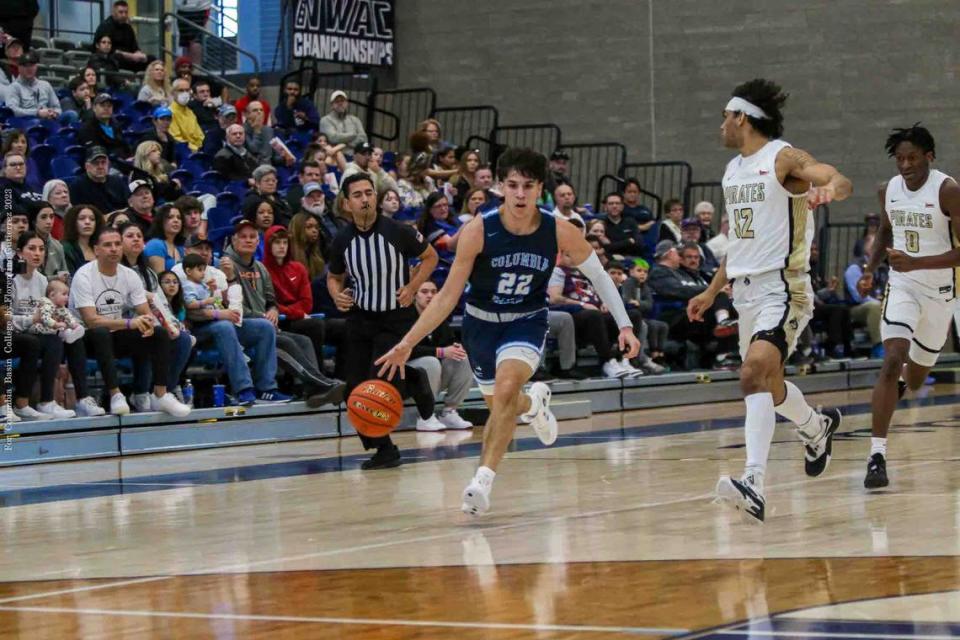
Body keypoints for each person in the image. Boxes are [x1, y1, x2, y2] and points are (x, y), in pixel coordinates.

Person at [375, 148, 640, 515]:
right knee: (505, 404)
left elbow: (598, 274)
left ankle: (482, 481)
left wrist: (624, 324)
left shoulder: (558, 228)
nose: (519, 194)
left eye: (527, 186)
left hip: (526, 321)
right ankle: (535, 404)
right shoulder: (478, 230)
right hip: (481, 326)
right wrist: (407, 342)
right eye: (512, 185)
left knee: (505, 390)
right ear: (500, 187)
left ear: (539, 189)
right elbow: (447, 296)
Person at [687, 79, 852, 523]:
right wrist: (711, 288)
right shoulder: (731, 171)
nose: (721, 123)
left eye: (725, 114)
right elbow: (741, 242)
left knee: (752, 373)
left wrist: (830, 188)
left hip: (784, 288)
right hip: (743, 290)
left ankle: (754, 484)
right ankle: (816, 427)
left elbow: (831, 174)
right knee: (767, 385)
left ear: (742, 116)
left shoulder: (781, 157)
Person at [861, 124, 960, 489]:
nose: (905, 165)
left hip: (940, 292)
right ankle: (876, 456)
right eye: (900, 158)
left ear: (929, 157)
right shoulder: (888, 190)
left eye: (912, 158)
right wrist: (870, 270)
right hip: (902, 286)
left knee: (915, 380)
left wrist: (917, 262)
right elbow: (886, 231)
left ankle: (903, 383)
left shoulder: (948, 191)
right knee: (891, 358)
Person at [326, 173, 441, 469]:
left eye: (369, 193)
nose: (365, 199)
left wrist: (413, 287)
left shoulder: (398, 231)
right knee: (354, 390)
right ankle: (384, 448)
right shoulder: (341, 239)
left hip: (395, 317)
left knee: (379, 382)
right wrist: (337, 296)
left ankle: (411, 379)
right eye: (358, 195)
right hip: (361, 319)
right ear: (347, 203)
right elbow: (334, 277)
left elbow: (431, 257)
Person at [70, 226, 192, 417]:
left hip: (116, 334)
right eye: (108, 245)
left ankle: (160, 394)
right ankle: (115, 395)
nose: (114, 249)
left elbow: (144, 312)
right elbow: (91, 320)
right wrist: (129, 323)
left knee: (159, 333)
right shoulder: (84, 275)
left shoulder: (129, 275)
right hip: (85, 338)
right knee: (101, 333)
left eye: (117, 244)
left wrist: (149, 323)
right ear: (96, 250)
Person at [225, 219, 343, 406]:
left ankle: (315, 387)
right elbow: (230, 304)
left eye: (252, 237)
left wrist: (272, 309)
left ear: (258, 242)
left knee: (303, 339)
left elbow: (271, 299)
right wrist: (263, 316)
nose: (248, 240)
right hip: (239, 325)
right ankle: (316, 383)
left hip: (262, 324)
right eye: (243, 237)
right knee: (282, 339)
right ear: (233, 240)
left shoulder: (259, 268)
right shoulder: (226, 265)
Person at [9, 231, 104, 420]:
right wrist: (32, 320)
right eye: (32, 249)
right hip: (15, 332)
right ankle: (23, 402)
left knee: (72, 336)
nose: (37, 253)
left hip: (38, 329)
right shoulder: (9, 280)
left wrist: (63, 324)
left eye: (41, 249)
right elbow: (6, 320)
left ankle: (73, 399)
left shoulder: (43, 280)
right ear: (19, 253)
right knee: (36, 342)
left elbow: (49, 311)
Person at [119, 222, 194, 406]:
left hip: (154, 322)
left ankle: (164, 391)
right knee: (149, 333)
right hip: (124, 324)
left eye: (139, 236)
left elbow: (161, 304)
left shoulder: (150, 273)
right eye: (130, 236)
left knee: (183, 339)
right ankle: (140, 392)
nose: (136, 239)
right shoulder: (116, 272)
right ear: (119, 243)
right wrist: (142, 298)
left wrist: (173, 323)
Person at [407, 280, 474, 431]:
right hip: (405, 374)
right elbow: (405, 350)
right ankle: (425, 416)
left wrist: (456, 347)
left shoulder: (438, 316)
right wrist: (440, 352)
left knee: (462, 357)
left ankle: (449, 412)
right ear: (414, 296)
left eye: (433, 291)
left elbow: (448, 342)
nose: (429, 295)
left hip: (432, 375)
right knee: (431, 362)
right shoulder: (404, 316)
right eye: (424, 292)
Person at [262, 225, 330, 368]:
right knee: (314, 325)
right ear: (268, 245)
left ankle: (342, 378)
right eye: (277, 242)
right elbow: (267, 303)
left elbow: (307, 303)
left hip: (297, 318)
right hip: (277, 321)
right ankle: (318, 376)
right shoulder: (262, 270)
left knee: (346, 327)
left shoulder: (298, 268)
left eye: (285, 242)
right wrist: (297, 313)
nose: (282, 246)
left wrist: (293, 312)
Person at [93, 0, 149, 72]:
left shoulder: (128, 28)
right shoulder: (105, 26)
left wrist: (141, 55)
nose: (124, 15)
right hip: (112, 58)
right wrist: (130, 56)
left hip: (129, 59)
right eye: (121, 12)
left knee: (151, 60)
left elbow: (134, 47)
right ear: (113, 13)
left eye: (126, 12)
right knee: (117, 58)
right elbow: (105, 49)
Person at [6, 51, 62, 121]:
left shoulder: (45, 85)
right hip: (26, 123)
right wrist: (37, 113)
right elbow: (13, 110)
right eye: (25, 65)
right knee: (36, 121)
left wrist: (54, 113)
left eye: (32, 65)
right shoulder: (14, 87)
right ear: (19, 68)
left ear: (36, 67)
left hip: (49, 120)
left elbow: (57, 108)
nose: (29, 68)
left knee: (70, 114)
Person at [78, 94, 131, 159]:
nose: (106, 108)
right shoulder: (87, 129)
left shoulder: (116, 125)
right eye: (102, 105)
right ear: (94, 108)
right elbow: (95, 155)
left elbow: (125, 147)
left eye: (109, 106)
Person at [61, 204, 104, 275]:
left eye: (92, 219)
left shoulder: (101, 246)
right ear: (73, 222)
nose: (87, 222)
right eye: (82, 218)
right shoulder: (65, 248)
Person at [28, 201, 68, 278]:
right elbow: (29, 278)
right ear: (34, 221)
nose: (49, 222)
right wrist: (55, 278)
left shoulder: (58, 246)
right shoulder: (25, 244)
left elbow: (65, 275)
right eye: (43, 217)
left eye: (52, 217)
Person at [144, 203, 185, 272]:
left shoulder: (180, 247)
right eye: (170, 217)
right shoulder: (155, 244)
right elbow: (160, 278)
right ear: (160, 221)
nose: (176, 220)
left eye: (179, 218)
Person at [602, 191, 643, 256]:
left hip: (632, 258)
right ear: (605, 207)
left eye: (617, 203)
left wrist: (613, 244)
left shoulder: (631, 222)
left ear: (622, 206)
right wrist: (628, 242)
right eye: (611, 203)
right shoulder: (601, 224)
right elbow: (605, 248)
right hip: (610, 260)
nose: (614, 206)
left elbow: (639, 245)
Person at [169, 77, 205, 152]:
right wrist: (195, 149)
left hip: (197, 150)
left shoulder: (190, 111)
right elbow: (177, 139)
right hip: (183, 152)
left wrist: (199, 147)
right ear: (173, 92)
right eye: (181, 90)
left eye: (187, 90)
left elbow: (200, 135)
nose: (185, 93)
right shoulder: (170, 112)